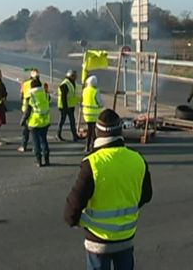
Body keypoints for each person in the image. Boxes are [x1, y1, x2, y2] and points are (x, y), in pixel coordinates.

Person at [64, 109, 152, 270]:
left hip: (98, 240)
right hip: (126, 236)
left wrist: (73, 220)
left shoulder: (92, 164)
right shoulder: (137, 159)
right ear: (120, 131)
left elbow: (74, 204)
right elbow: (146, 195)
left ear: (98, 133)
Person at [21, 78, 51, 167]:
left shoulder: (31, 96)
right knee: (44, 141)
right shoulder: (45, 94)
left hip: (34, 123)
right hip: (45, 121)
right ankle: (47, 160)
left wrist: (23, 120)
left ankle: (39, 161)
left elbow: (27, 111)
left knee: (36, 143)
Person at [18, 69, 40, 153]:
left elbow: (21, 96)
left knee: (26, 130)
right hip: (36, 110)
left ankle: (24, 146)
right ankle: (35, 147)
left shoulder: (25, 84)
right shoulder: (40, 85)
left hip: (26, 108)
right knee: (36, 131)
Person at [82, 75, 103, 153]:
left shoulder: (85, 90)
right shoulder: (95, 91)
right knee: (92, 130)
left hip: (86, 114)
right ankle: (92, 146)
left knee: (90, 130)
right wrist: (101, 106)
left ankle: (88, 147)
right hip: (94, 115)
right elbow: (100, 102)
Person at [57, 69, 80, 142]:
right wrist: (65, 108)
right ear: (71, 76)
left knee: (72, 121)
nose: (76, 78)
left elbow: (72, 95)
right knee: (62, 121)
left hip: (70, 106)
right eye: (75, 76)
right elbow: (63, 97)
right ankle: (58, 134)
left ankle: (75, 136)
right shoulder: (65, 84)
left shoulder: (71, 83)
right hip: (64, 107)